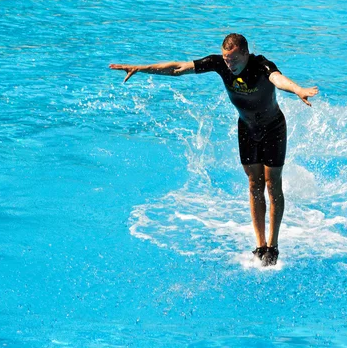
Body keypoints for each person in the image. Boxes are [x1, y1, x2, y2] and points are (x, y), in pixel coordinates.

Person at [109, 33, 318, 266]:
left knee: (272, 183)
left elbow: (278, 79)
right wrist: (141, 68)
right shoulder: (220, 63)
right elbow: (178, 68)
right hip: (247, 129)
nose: (229, 65)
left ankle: (273, 246)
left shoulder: (261, 65)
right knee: (253, 183)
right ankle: (260, 246)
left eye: (234, 60)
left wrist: (298, 89)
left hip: (273, 129)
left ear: (246, 54)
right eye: (226, 60)